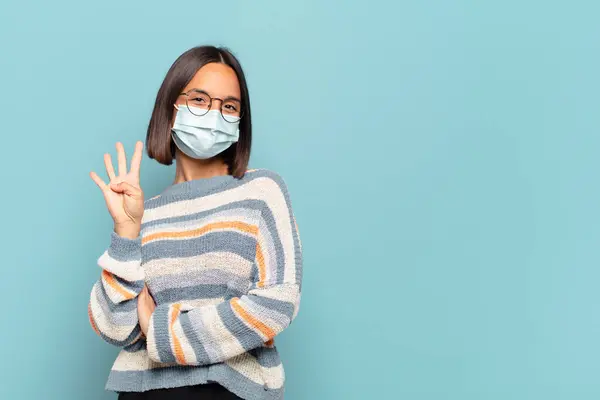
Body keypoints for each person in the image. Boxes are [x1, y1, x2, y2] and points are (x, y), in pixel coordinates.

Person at [88, 45, 303, 400]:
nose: (214, 114)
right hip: (141, 392)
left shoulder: (261, 191)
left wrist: (160, 331)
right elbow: (114, 327)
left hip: (228, 391)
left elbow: (276, 301)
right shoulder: (146, 212)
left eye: (229, 106)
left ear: (239, 120)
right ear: (171, 107)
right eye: (200, 100)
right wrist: (126, 233)